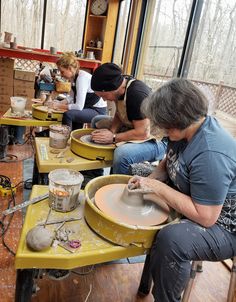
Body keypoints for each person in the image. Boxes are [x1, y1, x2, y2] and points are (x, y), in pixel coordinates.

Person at [128, 78, 236, 302]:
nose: (163, 132)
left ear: (178, 120)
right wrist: (148, 179)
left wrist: (156, 187)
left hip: (225, 223)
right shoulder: (184, 131)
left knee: (172, 239)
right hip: (196, 197)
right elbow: (169, 163)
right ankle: (146, 280)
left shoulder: (211, 152)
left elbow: (206, 217)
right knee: (134, 171)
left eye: (165, 125)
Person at [90, 63, 167, 175]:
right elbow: (120, 113)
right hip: (135, 127)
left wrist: (114, 137)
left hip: (156, 139)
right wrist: (111, 131)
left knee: (122, 154)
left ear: (112, 88)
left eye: (104, 96)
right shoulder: (120, 86)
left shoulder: (137, 95)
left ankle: (115, 184)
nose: (105, 100)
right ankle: (95, 174)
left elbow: (143, 133)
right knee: (97, 121)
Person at [52, 52, 107, 130]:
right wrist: (58, 103)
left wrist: (59, 106)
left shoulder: (82, 78)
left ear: (70, 68)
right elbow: (71, 97)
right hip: (87, 107)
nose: (61, 75)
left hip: (97, 111)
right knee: (73, 117)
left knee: (68, 115)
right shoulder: (73, 78)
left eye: (62, 71)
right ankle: (73, 138)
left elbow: (78, 106)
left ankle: (65, 139)